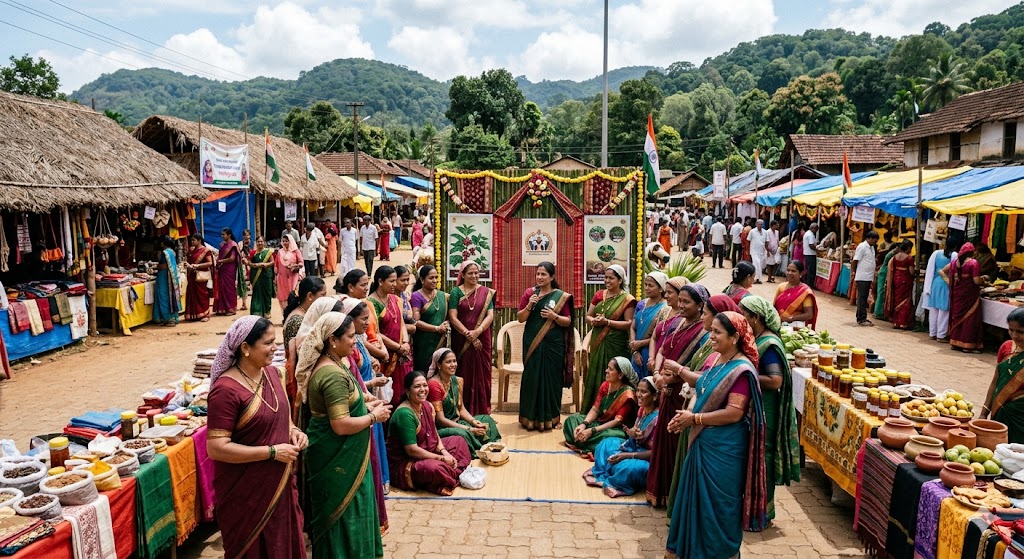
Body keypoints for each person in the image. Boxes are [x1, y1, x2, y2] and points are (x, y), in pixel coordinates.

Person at [663, 311, 768, 558]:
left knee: (719, 506)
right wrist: (686, 415)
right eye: (712, 330)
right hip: (703, 442)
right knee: (694, 501)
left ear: (734, 338)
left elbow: (734, 413)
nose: (711, 336)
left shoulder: (741, 371)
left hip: (724, 450)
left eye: (717, 332)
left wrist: (694, 419)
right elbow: (703, 384)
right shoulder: (718, 360)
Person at [206, 316, 308, 558]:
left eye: (275, 341)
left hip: (280, 485)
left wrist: (294, 432)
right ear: (245, 348)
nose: (275, 348)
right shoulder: (225, 390)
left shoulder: (274, 374)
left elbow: (283, 418)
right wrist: (272, 452)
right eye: (268, 343)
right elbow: (216, 447)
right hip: (246, 496)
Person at [296, 311, 389, 558]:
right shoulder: (332, 374)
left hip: (343, 453)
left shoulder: (337, 363)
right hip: (335, 456)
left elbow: (346, 404)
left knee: (352, 514)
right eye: (349, 336)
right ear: (332, 340)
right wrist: (374, 417)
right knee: (344, 518)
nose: (354, 341)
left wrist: (365, 404)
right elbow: (340, 424)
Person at [646, 281, 712, 508]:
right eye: (680, 301)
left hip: (683, 395)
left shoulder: (704, 333)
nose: (681, 305)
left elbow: (699, 369)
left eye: (686, 302)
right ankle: (660, 492)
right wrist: (657, 373)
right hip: (666, 389)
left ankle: (675, 498)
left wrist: (669, 379)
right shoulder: (676, 323)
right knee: (663, 442)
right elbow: (663, 349)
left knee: (676, 445)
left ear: (700, 305)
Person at [738, 296, 800, 523]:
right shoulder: (755, 339)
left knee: (763, 456)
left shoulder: (770, 344)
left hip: (766, 409)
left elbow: (775, 381)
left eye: (744, 315)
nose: (742, 320)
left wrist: (744, 372)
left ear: (756, 318)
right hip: (755, 406)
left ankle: (761, 512)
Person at [339, 297, 392, 504]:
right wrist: (372, 384)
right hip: (360, 409)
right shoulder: (346, 350)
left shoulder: (359, 340)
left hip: (370, 404)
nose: (367, 323)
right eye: (363, 319)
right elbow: (352, 385)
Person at [387, 371, 472, 495]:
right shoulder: (405, 414)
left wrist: (444, 451)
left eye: (425, 385)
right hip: (408, 462)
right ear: (407, 391)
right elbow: (412, 450)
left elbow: (434, 433)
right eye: (417, 386)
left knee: (459, 441)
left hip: (429, 451)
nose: (422, 390)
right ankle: (451, 474)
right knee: (435, 469)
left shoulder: (427, 405)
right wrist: (442, 458)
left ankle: (448, 474)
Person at [516, 262, 574, 431]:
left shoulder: (560, 296)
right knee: (531, 378)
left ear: (552, 277)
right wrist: (529, 306)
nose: (540, 277)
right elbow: (520, 318)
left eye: (543, 274)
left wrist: (554, 316)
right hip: (532, 342)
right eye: (538, 274)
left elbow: (567, 321)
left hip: (554, 345)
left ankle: (551, 418)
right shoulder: (530, 293)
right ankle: (529, 418)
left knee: (552, 380)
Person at [584, 377, 659, 498]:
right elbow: (634, 438)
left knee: (629, 468)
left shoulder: (657, 419)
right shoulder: (642, 410)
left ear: (654, 396)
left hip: (645, 459)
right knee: (605, 444)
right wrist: (631, 433)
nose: (639, 395)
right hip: (632, 448)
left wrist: (626, 455)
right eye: (638, 390)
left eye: (644, 392)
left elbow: (655, 452)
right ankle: (605, 473)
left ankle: (614, 478)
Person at [582, 265, 637, 411]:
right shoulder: (599, 295)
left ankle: (614, 412)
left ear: (620, 280)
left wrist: (607, 322)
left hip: (616, 344)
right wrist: (593, 320)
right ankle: (593, 411)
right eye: (605, 277)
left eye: (611, 278)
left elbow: (629, 323)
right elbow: (588, 316)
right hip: (598, 342)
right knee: (596, 374)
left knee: (615, 375)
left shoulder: (627, 299)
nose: (607, 280)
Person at [426, 348, 501, 453]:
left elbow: (461, 408)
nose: (453, 365)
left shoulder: (457, 380)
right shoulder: (434, 385)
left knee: (487, 419)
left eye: (454, 361)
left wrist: (473, 421)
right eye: (448, 362)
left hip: (457, 422)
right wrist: (469, 429)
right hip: (442, 428)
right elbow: (440, 420)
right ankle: (480, 449)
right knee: (463, 434)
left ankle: (487, 445)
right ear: (439, 365)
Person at [447, 262, 496, 415]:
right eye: (470, 273)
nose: (474, 276)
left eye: (476, 273)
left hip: (483, 339)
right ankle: (463, 411)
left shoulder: (486, 292)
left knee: (483, 374)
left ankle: (482, 411)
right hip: (461, 340)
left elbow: (490, 315)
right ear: (462, 275)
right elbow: (452, 317)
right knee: (463, 373)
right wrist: (468, 334)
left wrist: (478, 331)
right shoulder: (456, 292)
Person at [563, 356, 638, 455]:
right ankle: (584, 440)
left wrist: (592, 431)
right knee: (571, 420)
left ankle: (581, 441)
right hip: (599, 423)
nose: (606, 371)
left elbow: (617, 422)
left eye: (610, 369)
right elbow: (595, 409)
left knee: (607, 437)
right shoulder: (605, 385)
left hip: (615, 429)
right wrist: (583, 424)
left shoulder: (628, 395)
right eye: (607, 368)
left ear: (620, 375)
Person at [368, 266, 413, 405]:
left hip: (402, 354)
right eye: (391, 281)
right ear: (380, 282)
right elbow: (376, 332)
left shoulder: (396, 299)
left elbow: (401, 324)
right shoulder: (371, 303)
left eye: (395, 280)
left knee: (405, 390)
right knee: (389, 395)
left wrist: (405, 343)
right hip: (385, 355)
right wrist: (398, 347)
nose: (395, 284)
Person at [981, 308, 1024, 443]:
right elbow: (995, 381)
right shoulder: (1006, 348)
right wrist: (984, 413)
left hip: (1020, 418)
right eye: (1011, 330)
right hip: (1000, 412)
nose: (1014, 335)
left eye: (1020, 332)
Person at [941, 242, 987, 353]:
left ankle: (955, 342)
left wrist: (948, 281)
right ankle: (968, 344)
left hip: (957, 295)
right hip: (970, 296)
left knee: (958, 318)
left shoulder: (954, 263)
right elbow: (976, 281)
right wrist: (984, 280)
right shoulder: (973, 263)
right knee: (970, 320)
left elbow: (942, 271)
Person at [629, 272, 669, 379]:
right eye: (645, 284)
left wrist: (640, 344)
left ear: (661, 289)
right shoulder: (641, 304)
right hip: (636, 351)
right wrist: (635, 350)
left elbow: (660, 335)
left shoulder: (665, 308)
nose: (646, 288)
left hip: (650, 352)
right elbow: (633, 327)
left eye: (651, 286)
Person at [411, 265, 450, 372]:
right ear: (422, 280)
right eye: (431, 278)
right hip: (423, 342)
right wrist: (437, 328)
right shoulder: (416, 296)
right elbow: (416, 321)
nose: (435, 280)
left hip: (440, 340)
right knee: (423, 371)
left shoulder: (443, 296)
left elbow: (450, 316)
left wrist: (446, 324)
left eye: (436, 277)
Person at [282, 276, 327, 365]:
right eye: (322, 295)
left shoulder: (307, 313)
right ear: (310, 296)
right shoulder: (297, 321)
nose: (325, 299)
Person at [923, 240, 957, 341]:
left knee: (934, 309)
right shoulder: (954, 255)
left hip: (935, 283)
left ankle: (932, 332)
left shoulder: (936, 253)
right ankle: (941, 335)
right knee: (944, 310)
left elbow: (930, 269)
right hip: (946, 283)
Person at [774, 261, 818, 328]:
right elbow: (774, 307)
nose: (789, 273)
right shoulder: (781, 287)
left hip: (796, 324)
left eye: (793, 271)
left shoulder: (805, 291)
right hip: (778, 321)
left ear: (801, 273)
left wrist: (790, 318)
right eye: (788, 270)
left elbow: (809, 314)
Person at [884, 240, 915, 330]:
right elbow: (911, 272)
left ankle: (896, 322)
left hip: (895, 280)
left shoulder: (895, 257)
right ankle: (903, 323)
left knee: (896, 300)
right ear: (908, 248)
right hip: (905, 281)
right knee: (905, 302)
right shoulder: (909, 258)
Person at [185, 233, 214, 322]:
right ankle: (193, 315)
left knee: (202, 295)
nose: (192, 241)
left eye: (194, 240)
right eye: (192, 240)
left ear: (199, 240)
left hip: (200, 276)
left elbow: (210, 263)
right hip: (192, 276)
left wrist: (197, 266)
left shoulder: (205, 250)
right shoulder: (192, 250)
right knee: (192, 294)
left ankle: (205, 314)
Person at [852, 230, 879, 327]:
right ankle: (862, 318)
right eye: (874, 240)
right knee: (862, 298)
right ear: (870, 238)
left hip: (868, 276)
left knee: (863, 297)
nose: (875, 242)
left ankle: (860, 316)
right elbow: (855, 260)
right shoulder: (862, 247)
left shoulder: (871, 248)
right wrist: (853, 271)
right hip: (862, 276)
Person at [153, 236, 181, 326]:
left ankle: (168, 318)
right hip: (171, 277)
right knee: (170, 296)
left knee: (163, 297)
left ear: (163, 243)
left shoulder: (165, 253)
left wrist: (155, 266)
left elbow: (164, 266)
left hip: (164, 277)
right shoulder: (172, 252)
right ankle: (173, 317)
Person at [246, 236, 276, 319]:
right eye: (258, 241)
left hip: (266, 275)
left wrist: (266, 264)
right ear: (256, 243)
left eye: (261, 241)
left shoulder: (268, 252)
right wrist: (255, 265)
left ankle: (267, 312)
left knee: (267, 293)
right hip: (256, 275)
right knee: (257, 293)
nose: (260, 243)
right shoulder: (253, 253)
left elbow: (272, 262)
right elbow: (248, 262)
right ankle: (257, 311)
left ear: (264, 242)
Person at [214, 228, 242, 316]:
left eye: (224, 234)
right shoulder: (222, 244)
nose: (222, 236)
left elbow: (232, 258)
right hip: (222, 268)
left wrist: (221, 261)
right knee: (221, 287)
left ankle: (231, 309)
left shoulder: (233, 245)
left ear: (229, 235)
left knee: (229, 288)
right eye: (221, 234)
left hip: (229, 269)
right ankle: (221, 309)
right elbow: (220, 255)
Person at [276, 235, 303, 309]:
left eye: (286, 241)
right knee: (283, 295)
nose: (285, 243)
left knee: (292, 292)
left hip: (292, 277)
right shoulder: (280, 252)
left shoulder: (296, 251)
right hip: (282, 277)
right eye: (283, 241)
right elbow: (276, 265)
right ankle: (285, 311)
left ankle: (294, 309)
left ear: (290, 241)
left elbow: (301, 263)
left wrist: (294, 266)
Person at [874, 239, 898, 321]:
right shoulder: (891, 254)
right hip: (884, 273)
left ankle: (880, 311)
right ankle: (878, 312)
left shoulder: (890, 253)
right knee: (881, 292)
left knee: (882, 292)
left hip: (885, 272)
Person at [748, 219, 768, 284]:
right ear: (756, 224)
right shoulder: (752, 231)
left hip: (762, 251)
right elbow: (748, 241)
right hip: (754, 251)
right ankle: (754, 278)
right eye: (759, 224)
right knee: (756, 263)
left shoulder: (765, 232)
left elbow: (766, 242)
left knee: (760, 265)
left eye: (761, 224)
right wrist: (748, 250)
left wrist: (767, 251)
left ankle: (759, 279)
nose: (760, 225)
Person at [803, 223, 819, 287]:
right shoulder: (810, 235)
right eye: (816, 229)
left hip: (807, 254)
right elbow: (811, 245)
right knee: (811, 270)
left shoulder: (807, 233)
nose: (816, 231)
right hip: (810, 254)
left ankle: (808, 283)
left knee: (809, 269)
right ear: (813, 228)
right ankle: (810, 284)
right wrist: (817, 249)